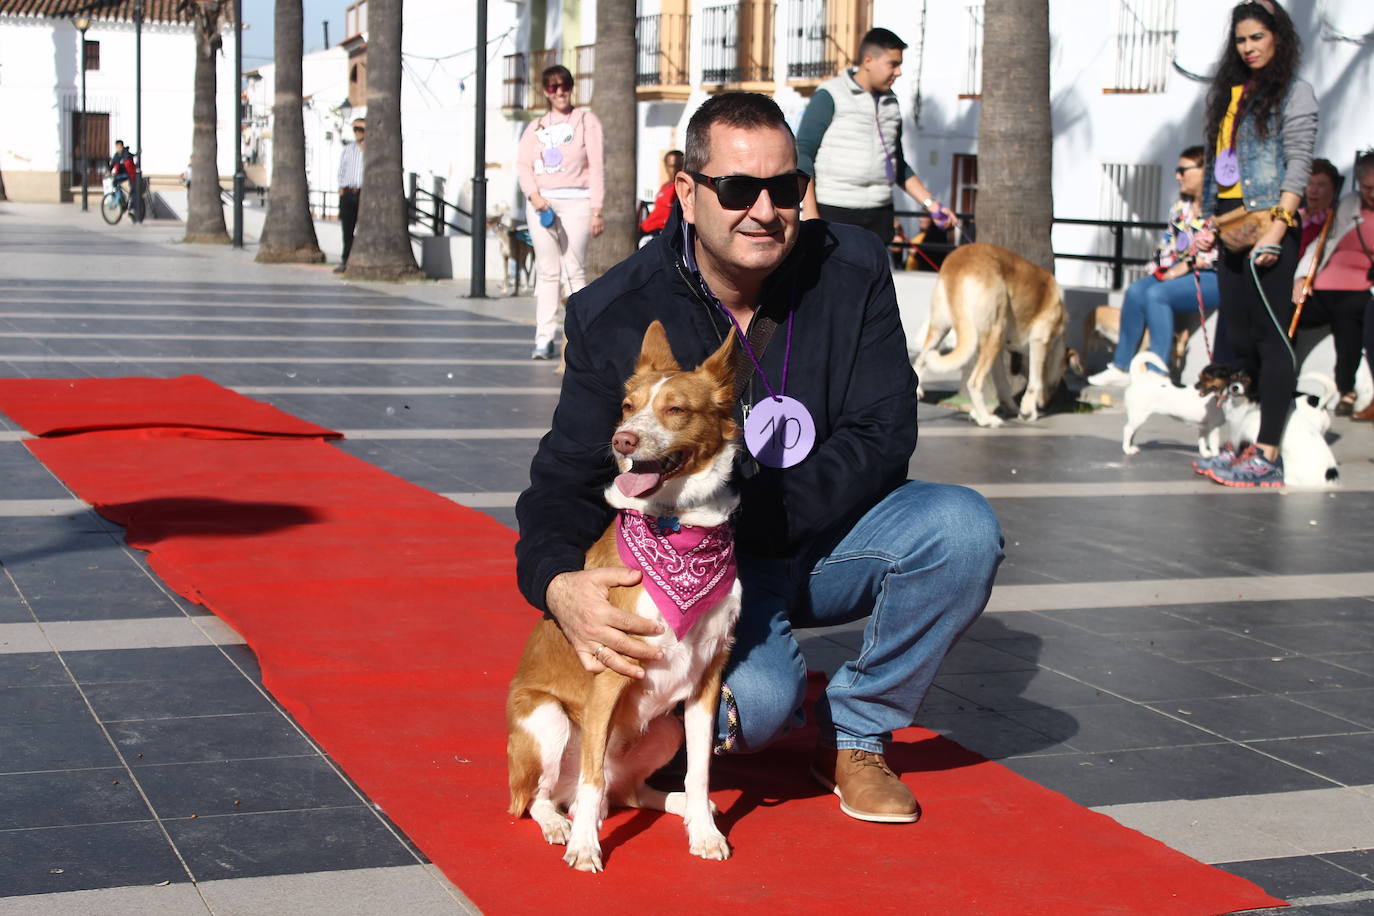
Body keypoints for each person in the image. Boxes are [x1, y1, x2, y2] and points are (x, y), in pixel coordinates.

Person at [514, 92, 1003, 824]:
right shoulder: (615, 311)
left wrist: (759, 517)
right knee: (761, 706)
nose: (766, 210)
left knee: (960, 529)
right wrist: (556, 581)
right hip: (685, 574)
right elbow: (565, 478)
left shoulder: (853, 265)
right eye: (739, 189)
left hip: (809, 539)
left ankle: (856, 733)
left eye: (787, 188)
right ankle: (684, 730)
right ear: (687, 192)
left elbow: (883, 430)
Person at [1194, 0, 1317, 487]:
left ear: (1278, 39)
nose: (1248, 48)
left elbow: (1299, 164)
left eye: (1257, 38)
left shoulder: (1294, 92)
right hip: (1230, 231)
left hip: (1269, 229)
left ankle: (1268, 452)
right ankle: (1244, 444)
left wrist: (1279, 228)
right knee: (1239, 343)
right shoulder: (1232, 93)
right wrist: (1205, 225)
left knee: (1272, 343)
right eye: (1241, 40)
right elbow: (1217, 166)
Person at [797, 28, 956, 246]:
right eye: (893, 63)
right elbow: (803, 153)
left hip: (880, 216)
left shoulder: (892, 103)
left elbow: (897, 164)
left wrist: (931, 204)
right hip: (834, 212)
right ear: (869, 60)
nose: (899, 72)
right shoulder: (830, 95)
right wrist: (811, 213)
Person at [1087, 146, 1222, 386]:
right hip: (1181, 274)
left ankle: (1157, 370)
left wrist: (1187, 265)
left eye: (1183, 170)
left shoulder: (1221, 207)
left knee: (1156, 294)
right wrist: (1162, 270)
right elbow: (1167, 245)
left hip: (1213, 276)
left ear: (1204, 171)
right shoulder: (1182, 207)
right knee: (1138, 289)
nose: (1177, 176)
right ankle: (1122, 366)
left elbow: (1224, 250)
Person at [517, 65, 605, 360]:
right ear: (545, 91)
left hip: (578, 202)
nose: (560, 92)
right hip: (542, 204)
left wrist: (597, 210)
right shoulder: (536, 126)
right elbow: (523, 165)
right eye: (553, 87)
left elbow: (596, 166)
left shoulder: (586, 121)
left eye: (564, 85)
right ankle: (543, 337)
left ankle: (580, 337)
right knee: (547, 272)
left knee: (575, 271)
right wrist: (534, 196)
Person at [1295, 153, 1374, 417]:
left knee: (1349, 317)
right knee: (1285, 312)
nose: (1371, 193)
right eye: (1367, 188)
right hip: (1323, 284)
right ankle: (1280, 377)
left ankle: (1346, 389)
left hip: (1360, 289)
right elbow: (1322, 243)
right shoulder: (1348, 204)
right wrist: (1301, 278)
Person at [335, 118, 365, 273]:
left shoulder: (371, 151)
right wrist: (341, 188)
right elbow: (342, 170)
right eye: (355, 129)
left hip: (363, 194)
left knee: (363, 229)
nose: (357, 132)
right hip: (348, 193)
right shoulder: (348, 149)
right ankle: (345, 260)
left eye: (360, 129)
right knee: (347, 230)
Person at [1298, 158, 1340, 256]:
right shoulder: (1295, 215)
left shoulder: (1336, 221)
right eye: (1309, 183)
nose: (1313, 190)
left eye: (1321, 185)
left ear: (1334, 190)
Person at [640, 149, 684, 238]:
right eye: (672, 166)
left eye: (679, 165)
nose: (675, 169)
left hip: (661, 233)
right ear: (666, 167)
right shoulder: (665, 186)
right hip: (646, 230)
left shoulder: (684, 188)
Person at [109, 140, 140, 222]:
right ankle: (121, 205)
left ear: (122, 146)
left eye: (119, 146)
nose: (118, 148)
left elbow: (133, 156)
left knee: (132, 191)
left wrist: (138, 153)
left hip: (129, 176)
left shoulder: (126, 154)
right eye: (117, 147)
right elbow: (112, 165)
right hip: (120, 177)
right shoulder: (116, 156)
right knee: (116, 186)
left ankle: (130, 209)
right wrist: (109, 172)